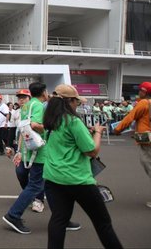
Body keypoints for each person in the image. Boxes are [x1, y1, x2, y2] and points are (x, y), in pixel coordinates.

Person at [43, 84, 123, 249]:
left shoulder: (50, 121)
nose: (77, 105)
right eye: (76, 102)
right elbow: (91, 151)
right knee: (103, 223)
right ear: (69, 102)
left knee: (58, 220)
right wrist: (98, 132)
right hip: (78, 180)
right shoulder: (73, 121)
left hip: (53, 179)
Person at [2, 82, 49, 234]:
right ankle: (14, 214)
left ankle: (62, 217)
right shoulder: (38, 106)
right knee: (35, 184)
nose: (21, 99)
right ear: (44, 92)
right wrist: (50, 126)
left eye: (23, 97)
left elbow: (22, 128)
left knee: (51, 184)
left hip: (29, 149)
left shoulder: (25, 107)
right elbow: (34, 125)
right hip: (39, 150)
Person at [114, 81, 151, 208]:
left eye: (140, 90)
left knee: (148, 165)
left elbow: (130, 117)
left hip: (147, 141)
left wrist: (117, 129)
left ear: (144, 92)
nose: (138, 92)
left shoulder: (144, 103)